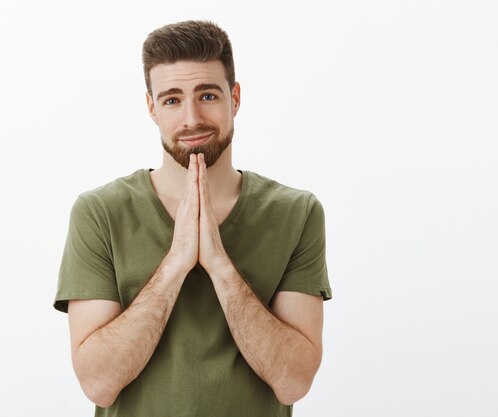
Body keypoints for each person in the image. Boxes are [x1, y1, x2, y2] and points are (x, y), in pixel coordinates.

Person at [53, 20, 332, 417]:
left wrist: (219, 265)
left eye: (207, 95)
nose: (191, 118)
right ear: (152, 108)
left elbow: (293, 381)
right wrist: (175, 263)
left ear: (234, 98)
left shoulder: (296, 212)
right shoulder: (99, 212)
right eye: (171, 100)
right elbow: (99, 383)